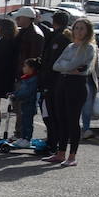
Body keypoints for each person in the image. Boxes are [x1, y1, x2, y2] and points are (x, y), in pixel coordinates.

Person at [45, 17, 99, 166]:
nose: (79, 31)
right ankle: (60, 153)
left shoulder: (89, 48)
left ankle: (72, 156)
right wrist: (69, 68)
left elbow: (81, 67)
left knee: (72, 121)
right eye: (76, 28)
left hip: (77, 86)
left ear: (88, 31)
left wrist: (68, 66)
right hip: (62, 84)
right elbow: (56, 65)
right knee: (61, 119)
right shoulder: (70, 47)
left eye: (82, 28)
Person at [38, 10, 72, 142]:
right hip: (59, 81)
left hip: (52, 81)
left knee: (50, 113)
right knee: (54, 113)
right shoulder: (66, 35)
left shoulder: (59, 37)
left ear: (54, 21)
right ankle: (53, 140)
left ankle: (53, 142)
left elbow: (51, 62)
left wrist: (44, 80)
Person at [10, 58, 41, 149]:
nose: (23, 68)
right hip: (24, 104)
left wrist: (16, 96)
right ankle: (22, 138)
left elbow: (27, 92)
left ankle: (27, 139)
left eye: (25, 66)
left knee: (27, 123)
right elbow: (21, 90)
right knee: (23, 122)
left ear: (31, 68)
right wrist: (14, 93)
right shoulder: (26, 78)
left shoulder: (33, 80)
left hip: (29, 104)